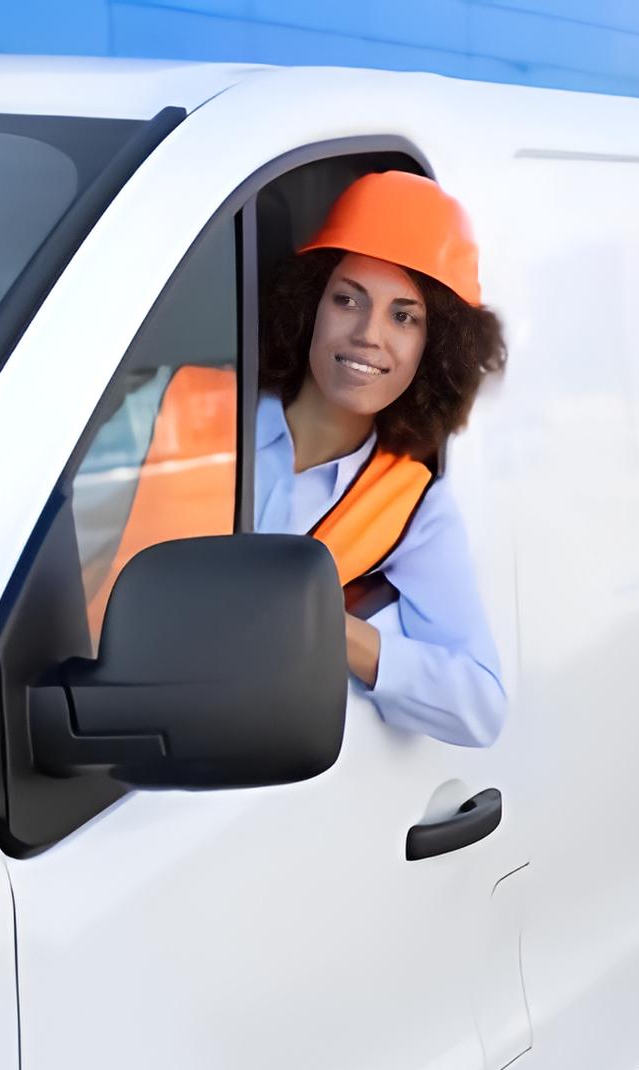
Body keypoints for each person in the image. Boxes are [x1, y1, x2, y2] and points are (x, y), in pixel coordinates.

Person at [90, 172, 507, 748]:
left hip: (196, 759)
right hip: (73, 731)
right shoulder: (171, 402)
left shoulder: (413, 507)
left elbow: (480, 706)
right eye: (347, 299)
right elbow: (51, 565)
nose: (368, 334)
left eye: (403, 316)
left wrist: (330, 631)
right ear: (309, 305)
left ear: (433, 349)